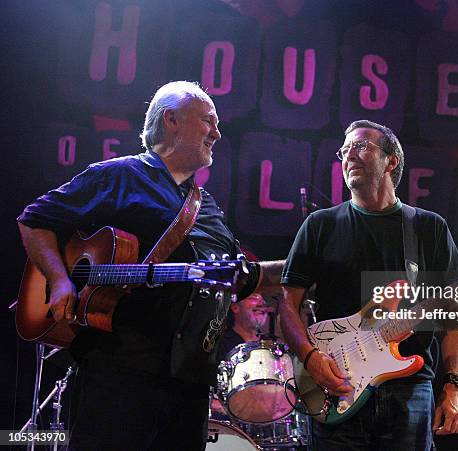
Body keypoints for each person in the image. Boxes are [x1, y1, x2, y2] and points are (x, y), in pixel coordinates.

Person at [17, 81, 284, 450]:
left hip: (190, 385)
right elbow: (34, 220)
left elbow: (238, 277)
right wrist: (60, 279)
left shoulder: (207, 209)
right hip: (120, 375)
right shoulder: (118, 175)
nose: (218, 133)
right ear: (171, 120)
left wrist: (299, 268)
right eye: (209, 121)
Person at [280, 120, 458, 450]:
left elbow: (453, 320)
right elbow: (287, 305)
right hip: (337, 385)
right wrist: (310, 358)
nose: (349, 155)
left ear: (391, 161)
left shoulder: (427, 227)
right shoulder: (320, 225)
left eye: (361, 146)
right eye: (344, 150)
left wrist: (454, 386)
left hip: (409, 390)